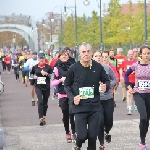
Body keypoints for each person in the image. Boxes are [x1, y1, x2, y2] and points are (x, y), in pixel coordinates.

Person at [64, 43, 110, 150]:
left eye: (88, 51)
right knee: (82, 136)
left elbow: (106, 80)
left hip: (95, 107)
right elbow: (67, 85)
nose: (86, 54)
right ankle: (78, 144)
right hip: (80, 107)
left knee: (92, 137)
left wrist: (105, 86)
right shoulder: (73, 68)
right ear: (79, 54)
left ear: (91, 53)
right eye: (83, 52)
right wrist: (72, 98)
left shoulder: (98, 67)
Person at [124, 45, 150, 150]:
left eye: (148, 53)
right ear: (140, 54)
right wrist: (129, 87)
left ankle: (142, 138)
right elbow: (126, 75)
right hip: (138, 94)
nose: (146, 55)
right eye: (144, 53)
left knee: (146, 120)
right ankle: (142, 142)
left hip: (149, 95)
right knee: (143, 116)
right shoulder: (136, 65)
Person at [51, 50, 76, 143]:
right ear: (59, 57)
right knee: (66, 115)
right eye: (63, 55)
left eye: (66, 55)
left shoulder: (73, 66)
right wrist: (61, 80)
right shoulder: (56, 68)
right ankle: (67, 132)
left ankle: (74, 132)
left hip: (72, 93)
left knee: (72, 113)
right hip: (62, 94)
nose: (65, 57)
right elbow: (52, 82)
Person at [30, 53, 52, 126]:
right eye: (40, 58)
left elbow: (51, 76)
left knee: (45, 103)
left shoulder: (48, 67)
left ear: (44, 59)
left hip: (46, 87)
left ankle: (44, 117)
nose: (41, 59)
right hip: (38, 86)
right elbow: (32, 74)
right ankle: (40, 119)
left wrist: (46, 74)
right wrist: (34, 77)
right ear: (38, 59)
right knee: (40, 101)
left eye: (42, 58)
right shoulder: (35, 67)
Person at [121, 50, 137, 115]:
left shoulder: (136, 62)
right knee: (129, 94)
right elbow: (122, 70)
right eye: (129, 54)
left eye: (131, 54)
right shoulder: (124, 62)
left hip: (135, 80)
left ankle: (132, 105)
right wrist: (122, 76)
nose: (130, 55)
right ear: (127, 54)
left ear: (133, 54)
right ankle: (129, 109)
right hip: (128, 80)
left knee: (133, 95)